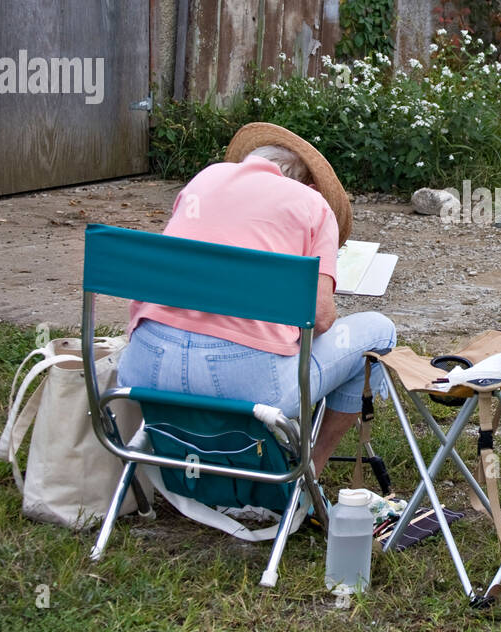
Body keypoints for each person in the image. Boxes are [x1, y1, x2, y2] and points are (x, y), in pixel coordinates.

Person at [117, 122, 396, 476]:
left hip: (144, 371)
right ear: (306, 184)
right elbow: (321, 318)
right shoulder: (313, 203)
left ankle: (198, 466)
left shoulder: (204, 180)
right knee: (379, 331)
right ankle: (309, 471)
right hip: (246, 385)